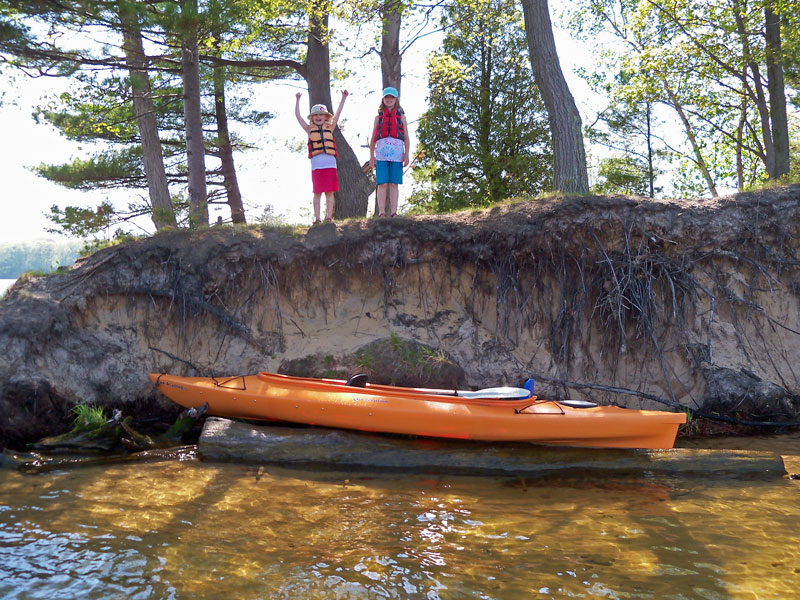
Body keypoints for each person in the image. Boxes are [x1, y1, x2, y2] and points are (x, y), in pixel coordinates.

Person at [295, 90, 349, 224]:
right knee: (317, 193)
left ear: (326, 117)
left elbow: (338, 114)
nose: (318, 117)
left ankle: (329, 217)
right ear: (312, 118)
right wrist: (297, 100)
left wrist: (343, 97)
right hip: (317, 165)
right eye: (316, 115)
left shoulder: (329, 128)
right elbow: (297, 116)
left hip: (330, 164)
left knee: (329, 192)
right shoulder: (309, 129)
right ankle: (317, 218)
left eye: (321, 114)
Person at [369, 87, 410, 218]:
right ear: (383, 99)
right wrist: (371, 156)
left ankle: (394, 212)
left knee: (394, 183)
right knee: (382, 183)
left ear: (396, 99)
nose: (389, 100)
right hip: (381, 153)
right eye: (387, 97)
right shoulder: (378, 118)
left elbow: (407, 138)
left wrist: (407, 154)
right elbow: (374, 137)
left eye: (392, 97)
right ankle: (381, 212)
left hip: (397, 153)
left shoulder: (401, 117)